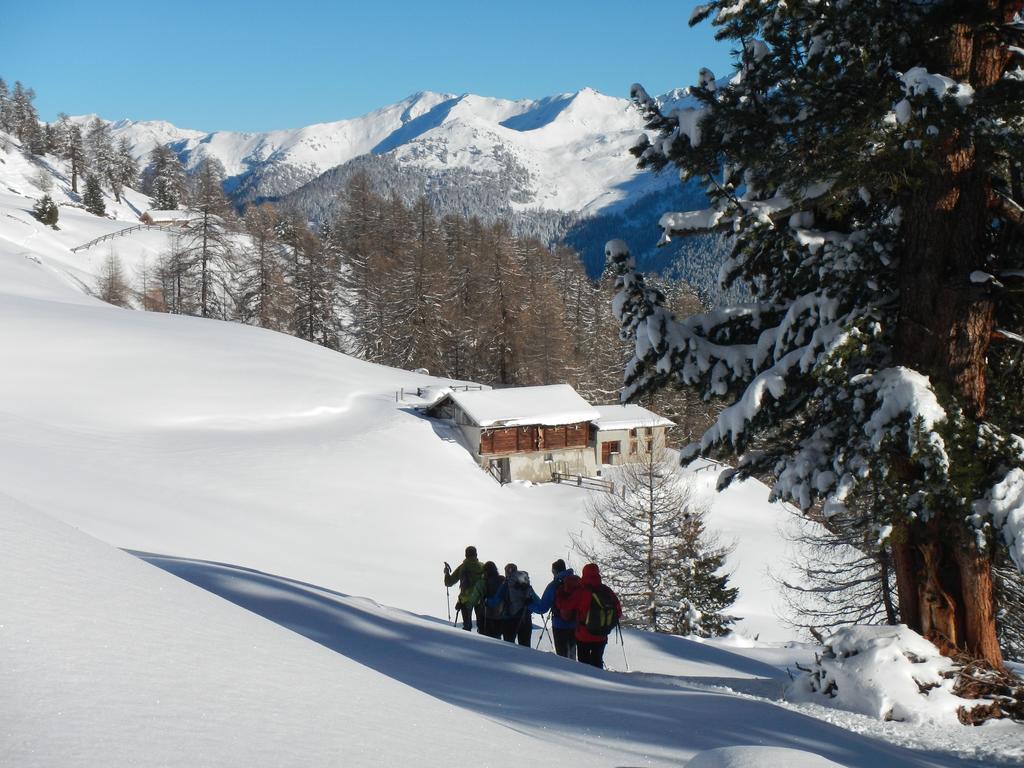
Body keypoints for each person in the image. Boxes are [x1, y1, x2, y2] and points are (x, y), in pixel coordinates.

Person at [560, 562, 622, 668]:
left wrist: (562, 592)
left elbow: (566, 607)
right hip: (601, 635)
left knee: (584, 665)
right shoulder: (606, 590)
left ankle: (586, 682)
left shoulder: (581, 592)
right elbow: (618, 612)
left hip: (583, 635)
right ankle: (599, 680)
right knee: (597, 660)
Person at [531, 558, 580, 659]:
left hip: (559, 624)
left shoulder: (554, 585)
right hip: (576, 623)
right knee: (572, 654)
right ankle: (574, 671)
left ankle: (565, 672)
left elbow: (542, 608)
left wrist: (529, 605)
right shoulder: (577, 583)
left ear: (554, 571)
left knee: (562, 656)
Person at [486, 563, 540, 646]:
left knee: (509, 647)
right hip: (525, 618)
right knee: (525, 646)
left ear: (507, 572)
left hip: (509, 619)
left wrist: (486, 601)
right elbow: (537, 601)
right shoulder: (526, 585)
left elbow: (495, 601)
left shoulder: (506, 584)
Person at [444, 546, 485, 632]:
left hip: (465, 599)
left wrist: (447, 573)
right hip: (480, 599)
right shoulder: (482, 566)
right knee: (482, 626)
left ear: (466, 555)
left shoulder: (463, 567)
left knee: (467, 627)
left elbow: (449, 582)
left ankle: (467, 643)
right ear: (476, 554)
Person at [480, 560, 505, 639]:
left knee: (488, 638)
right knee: (497, 637)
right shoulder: (502, 579)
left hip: (488, 614)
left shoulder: (485, 581)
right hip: (501, 614)